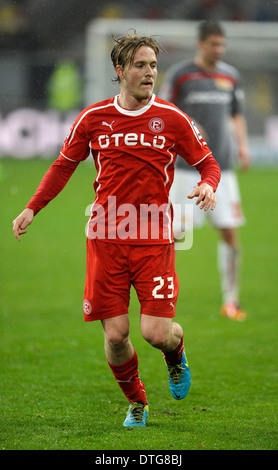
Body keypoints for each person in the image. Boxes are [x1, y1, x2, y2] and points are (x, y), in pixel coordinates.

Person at [12, 31, 220, 428]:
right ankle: (137, 402)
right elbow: (63, 166)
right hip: (105, 239)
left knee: (157, 334)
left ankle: (176, 358)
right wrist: (32, 208)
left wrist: (209, 183)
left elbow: (208, 162)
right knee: (116, 336)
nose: (149, 73)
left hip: (154, 239)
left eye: (153, 66)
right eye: (140, 65)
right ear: (120, 70)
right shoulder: (93, 119)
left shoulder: (173, 119)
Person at [160, 20, 251, 321]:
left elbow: (236, 115)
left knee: (230, 234)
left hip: (223, 169)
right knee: (173, 235)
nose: (219, 50)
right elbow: (163, 108)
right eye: (213, 44)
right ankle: (158, 296)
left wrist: (243, 145)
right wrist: (188, 123)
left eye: (222, 45)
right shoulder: (181, 75)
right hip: (186, 170)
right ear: (201, 44)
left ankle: (231, 301)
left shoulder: (230, 76)